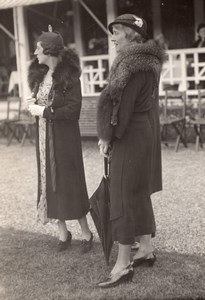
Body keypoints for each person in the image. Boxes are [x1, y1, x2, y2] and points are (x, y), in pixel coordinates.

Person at [96, 14, 165, 288]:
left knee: (123, 195)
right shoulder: (147, 62)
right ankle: (146, 248)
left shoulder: (133, 64)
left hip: (130, 135)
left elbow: (120, 111)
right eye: (112, 31)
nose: (112, 37)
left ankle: (123, 265)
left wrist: (107, 137)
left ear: (132, 35)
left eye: (117, 32)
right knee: (138, 191)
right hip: (142, 132)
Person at [27, 27, 93, 253]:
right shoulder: (39, 75)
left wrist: (43, 111)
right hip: (45, 137)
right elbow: (40, 104)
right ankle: (63, 233)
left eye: (38, 47)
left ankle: (86, 233)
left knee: (69, 182)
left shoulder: (69, 77)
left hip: (64, 139)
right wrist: (33, 103)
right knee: (48, 182)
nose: (35, 51)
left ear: (48, 49)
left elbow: (73, 109)